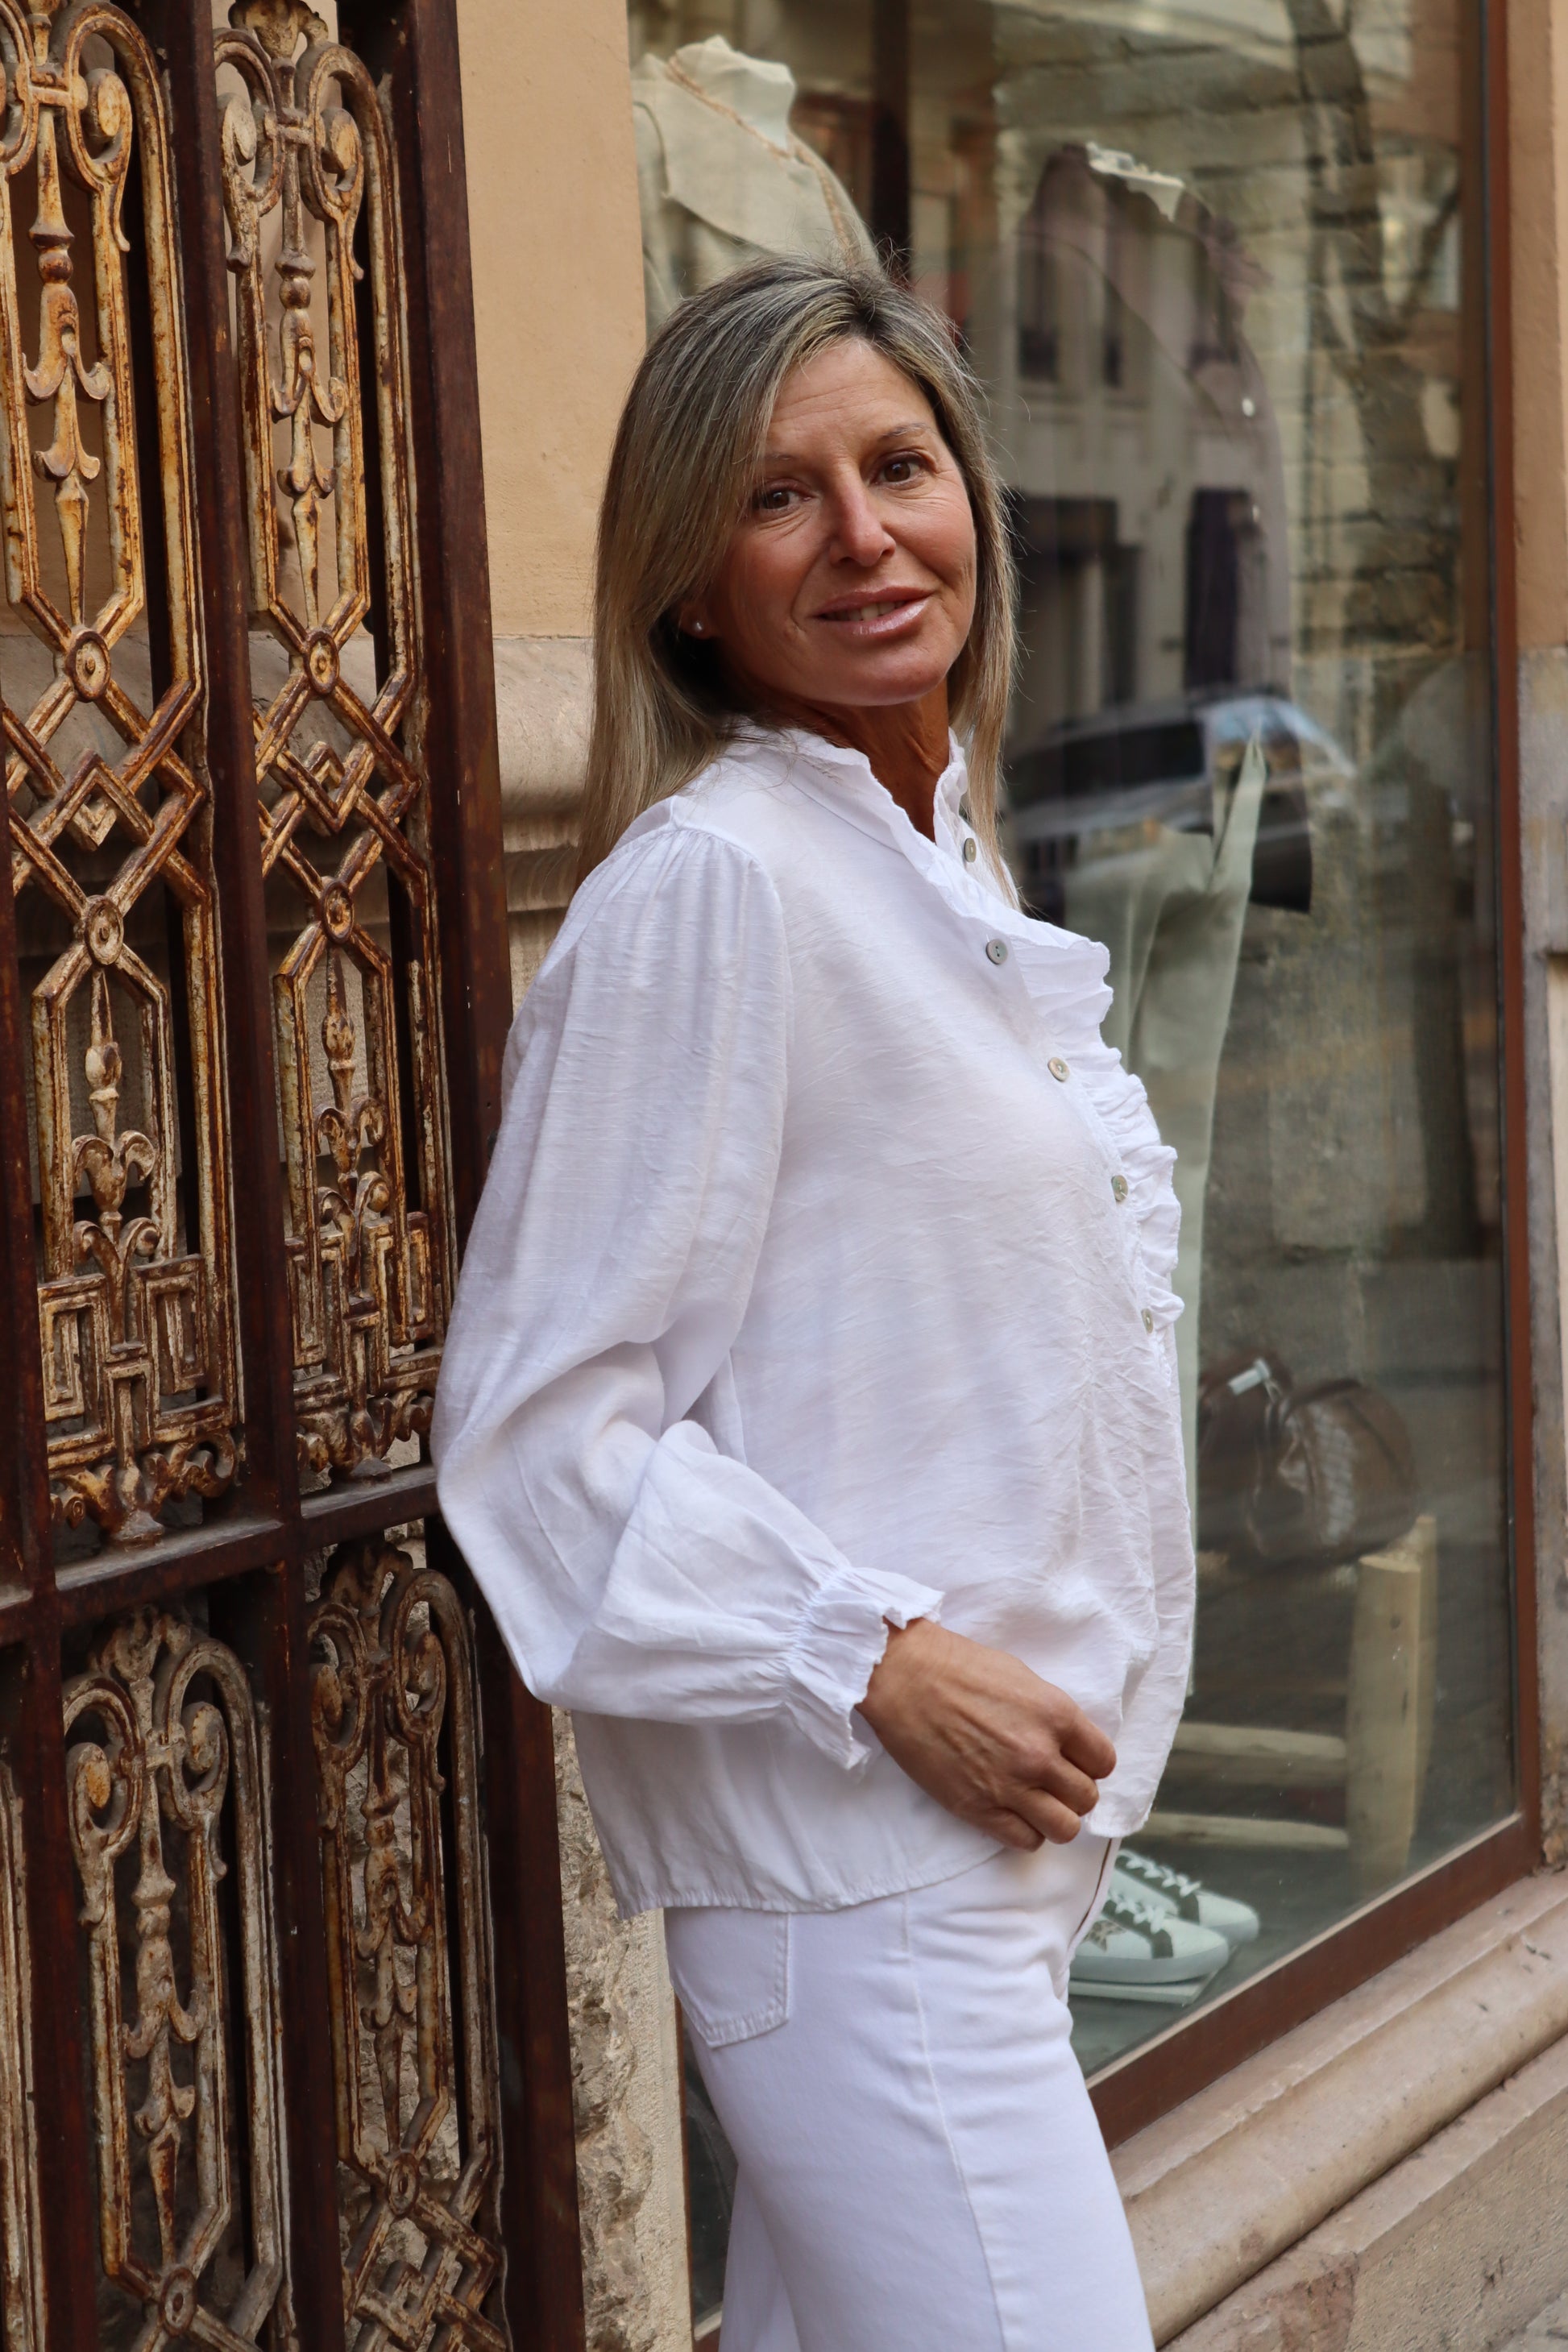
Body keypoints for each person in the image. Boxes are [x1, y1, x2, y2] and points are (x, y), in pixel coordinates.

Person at [432, 256, 1193, 2352]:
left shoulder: (928, 869)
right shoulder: (716, 889)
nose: (864, 535)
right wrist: (875, 1658)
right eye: (780, 496)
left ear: (972, 504)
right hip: (864, 1888)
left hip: (967, 1874)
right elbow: (537, 1428)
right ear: (692, 587)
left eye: (899, 468)